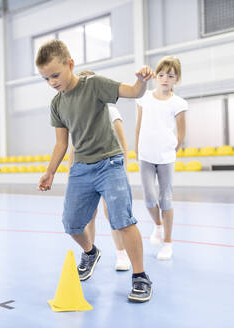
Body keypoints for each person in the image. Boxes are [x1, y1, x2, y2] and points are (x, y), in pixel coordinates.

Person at [36, 40, 153, 303]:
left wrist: (142, 80)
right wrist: (50, 172)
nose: (52, 82)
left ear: (70, 65)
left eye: (55, 75)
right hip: (80, 169)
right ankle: (90, 252)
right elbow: (61, 143)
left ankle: (140, 276)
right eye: (46, 78)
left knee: (122, 220)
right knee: (71, 224)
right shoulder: (57, 104)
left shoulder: (95, 85)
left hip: (109, 164)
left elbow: (134, 91)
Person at [67, 70, 131, 271]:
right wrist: (71, 172)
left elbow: (122, 143)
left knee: (112, 212)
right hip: (85, 169)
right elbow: (74, 146)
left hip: (108, 168)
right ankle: (89, 254)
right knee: (88, 215)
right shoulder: (77, 112)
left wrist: (123, 170)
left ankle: (121, 254)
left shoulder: (110, 110)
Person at [135, 56, 187, 260]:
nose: (166, 79)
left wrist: (172, 151)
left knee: (166, 200)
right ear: (156, 76)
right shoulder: (144, 98)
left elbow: (181, 133)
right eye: (162, 75)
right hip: (146, 156)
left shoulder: (179, 103)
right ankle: (157, 225)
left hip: (166, 157)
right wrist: (138, 150)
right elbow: (138, 126)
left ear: (177, 79)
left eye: (171, 76)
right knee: (149, 198)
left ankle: (168, 242)